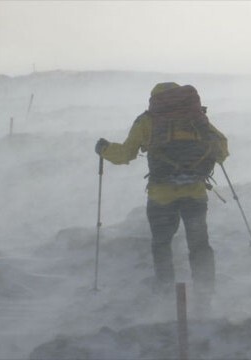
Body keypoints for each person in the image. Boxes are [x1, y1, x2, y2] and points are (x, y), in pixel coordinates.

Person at [95, 82, 228, 309]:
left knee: (162, 244)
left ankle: (165, 294)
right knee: (199, 244)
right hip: (195, 193)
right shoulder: (196, 118)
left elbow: (125, 154)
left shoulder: (147, 121)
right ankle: (205, 295)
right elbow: (222, 151)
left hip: (161, 196)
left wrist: (104, 149)